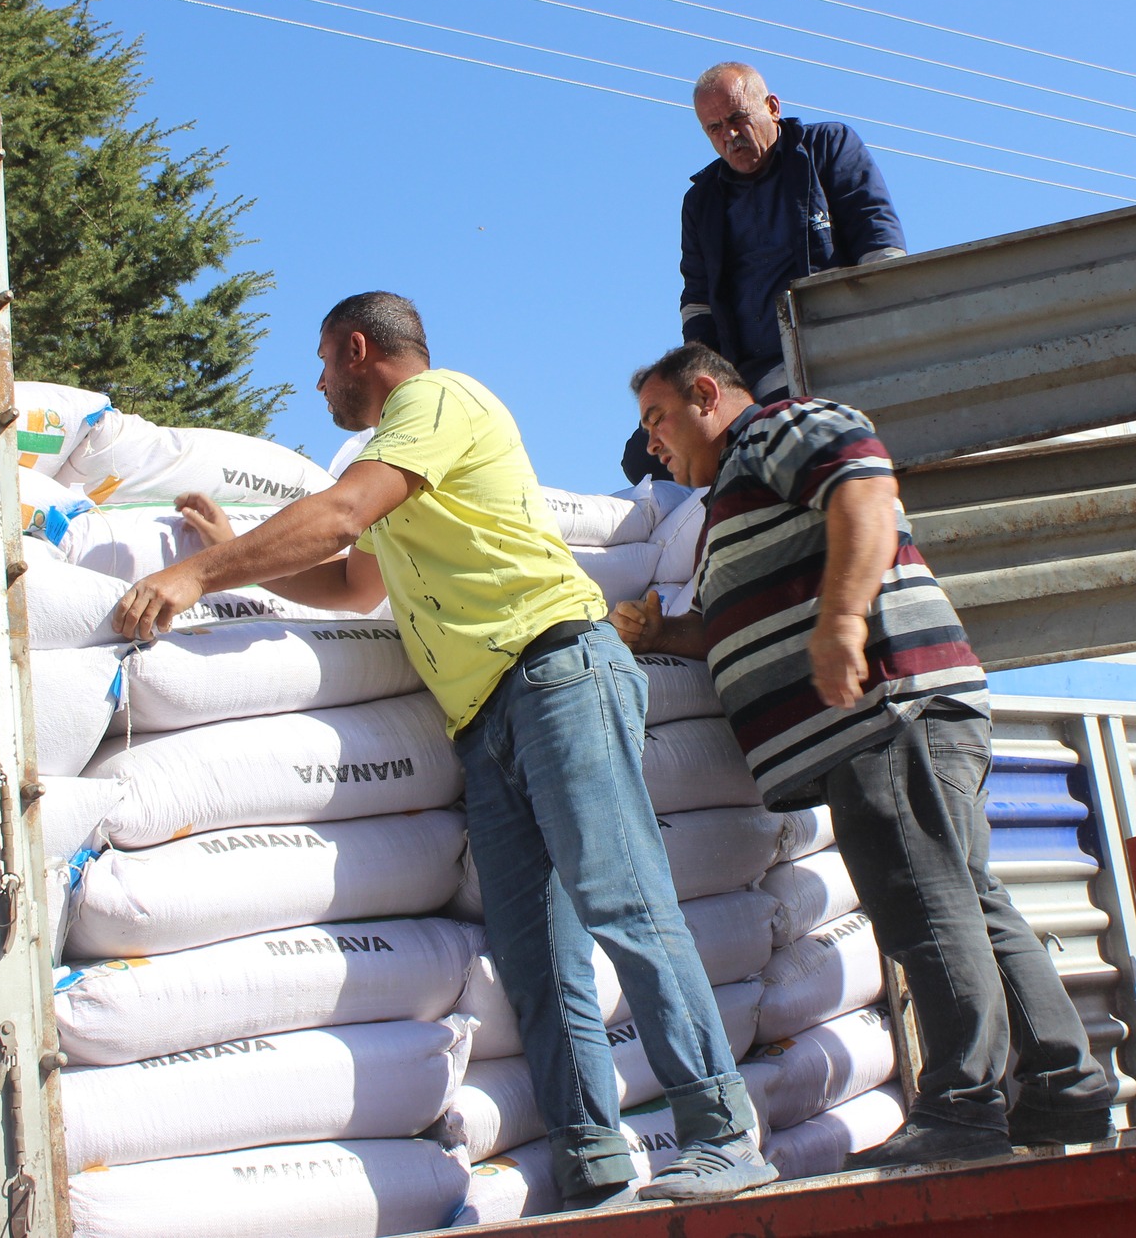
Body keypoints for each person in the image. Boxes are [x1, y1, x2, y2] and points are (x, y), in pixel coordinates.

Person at [111, 294, 775, 1208]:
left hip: (555, 672)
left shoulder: (436, 402)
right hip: (487, 716)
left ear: (358, 349)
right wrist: (238, 552)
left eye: (323, 363)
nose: (318, 385)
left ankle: (723, 1130)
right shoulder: (401, 464)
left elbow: (342, 514)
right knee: (535, 958)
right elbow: (353, 584)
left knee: (622, 898)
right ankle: (593, 1170)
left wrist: (196, 572)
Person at [612, 342, 1117, 1168]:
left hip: (886, 707)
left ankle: (962, 1106)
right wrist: (664, 631)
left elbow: (864, 489)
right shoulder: (727, 499)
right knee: (963, 894)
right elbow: (736, 620)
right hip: (887, 715)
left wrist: (844, 618)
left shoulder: (780, 429)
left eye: (657, 418)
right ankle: (1065, 1081)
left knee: (922, 900)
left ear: (706, 393)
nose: (651, 442)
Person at [621, 62, 906, 483]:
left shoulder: (827, 148)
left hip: (826, 353)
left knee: (769, 429)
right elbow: (697, 303)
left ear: (772, 107)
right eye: (714, 128)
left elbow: (879, 245)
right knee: (642, 457)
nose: (729, 135)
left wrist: (888, 344)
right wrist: (699, 386)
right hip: (741, 376)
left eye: (738, 118)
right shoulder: (701, 201)